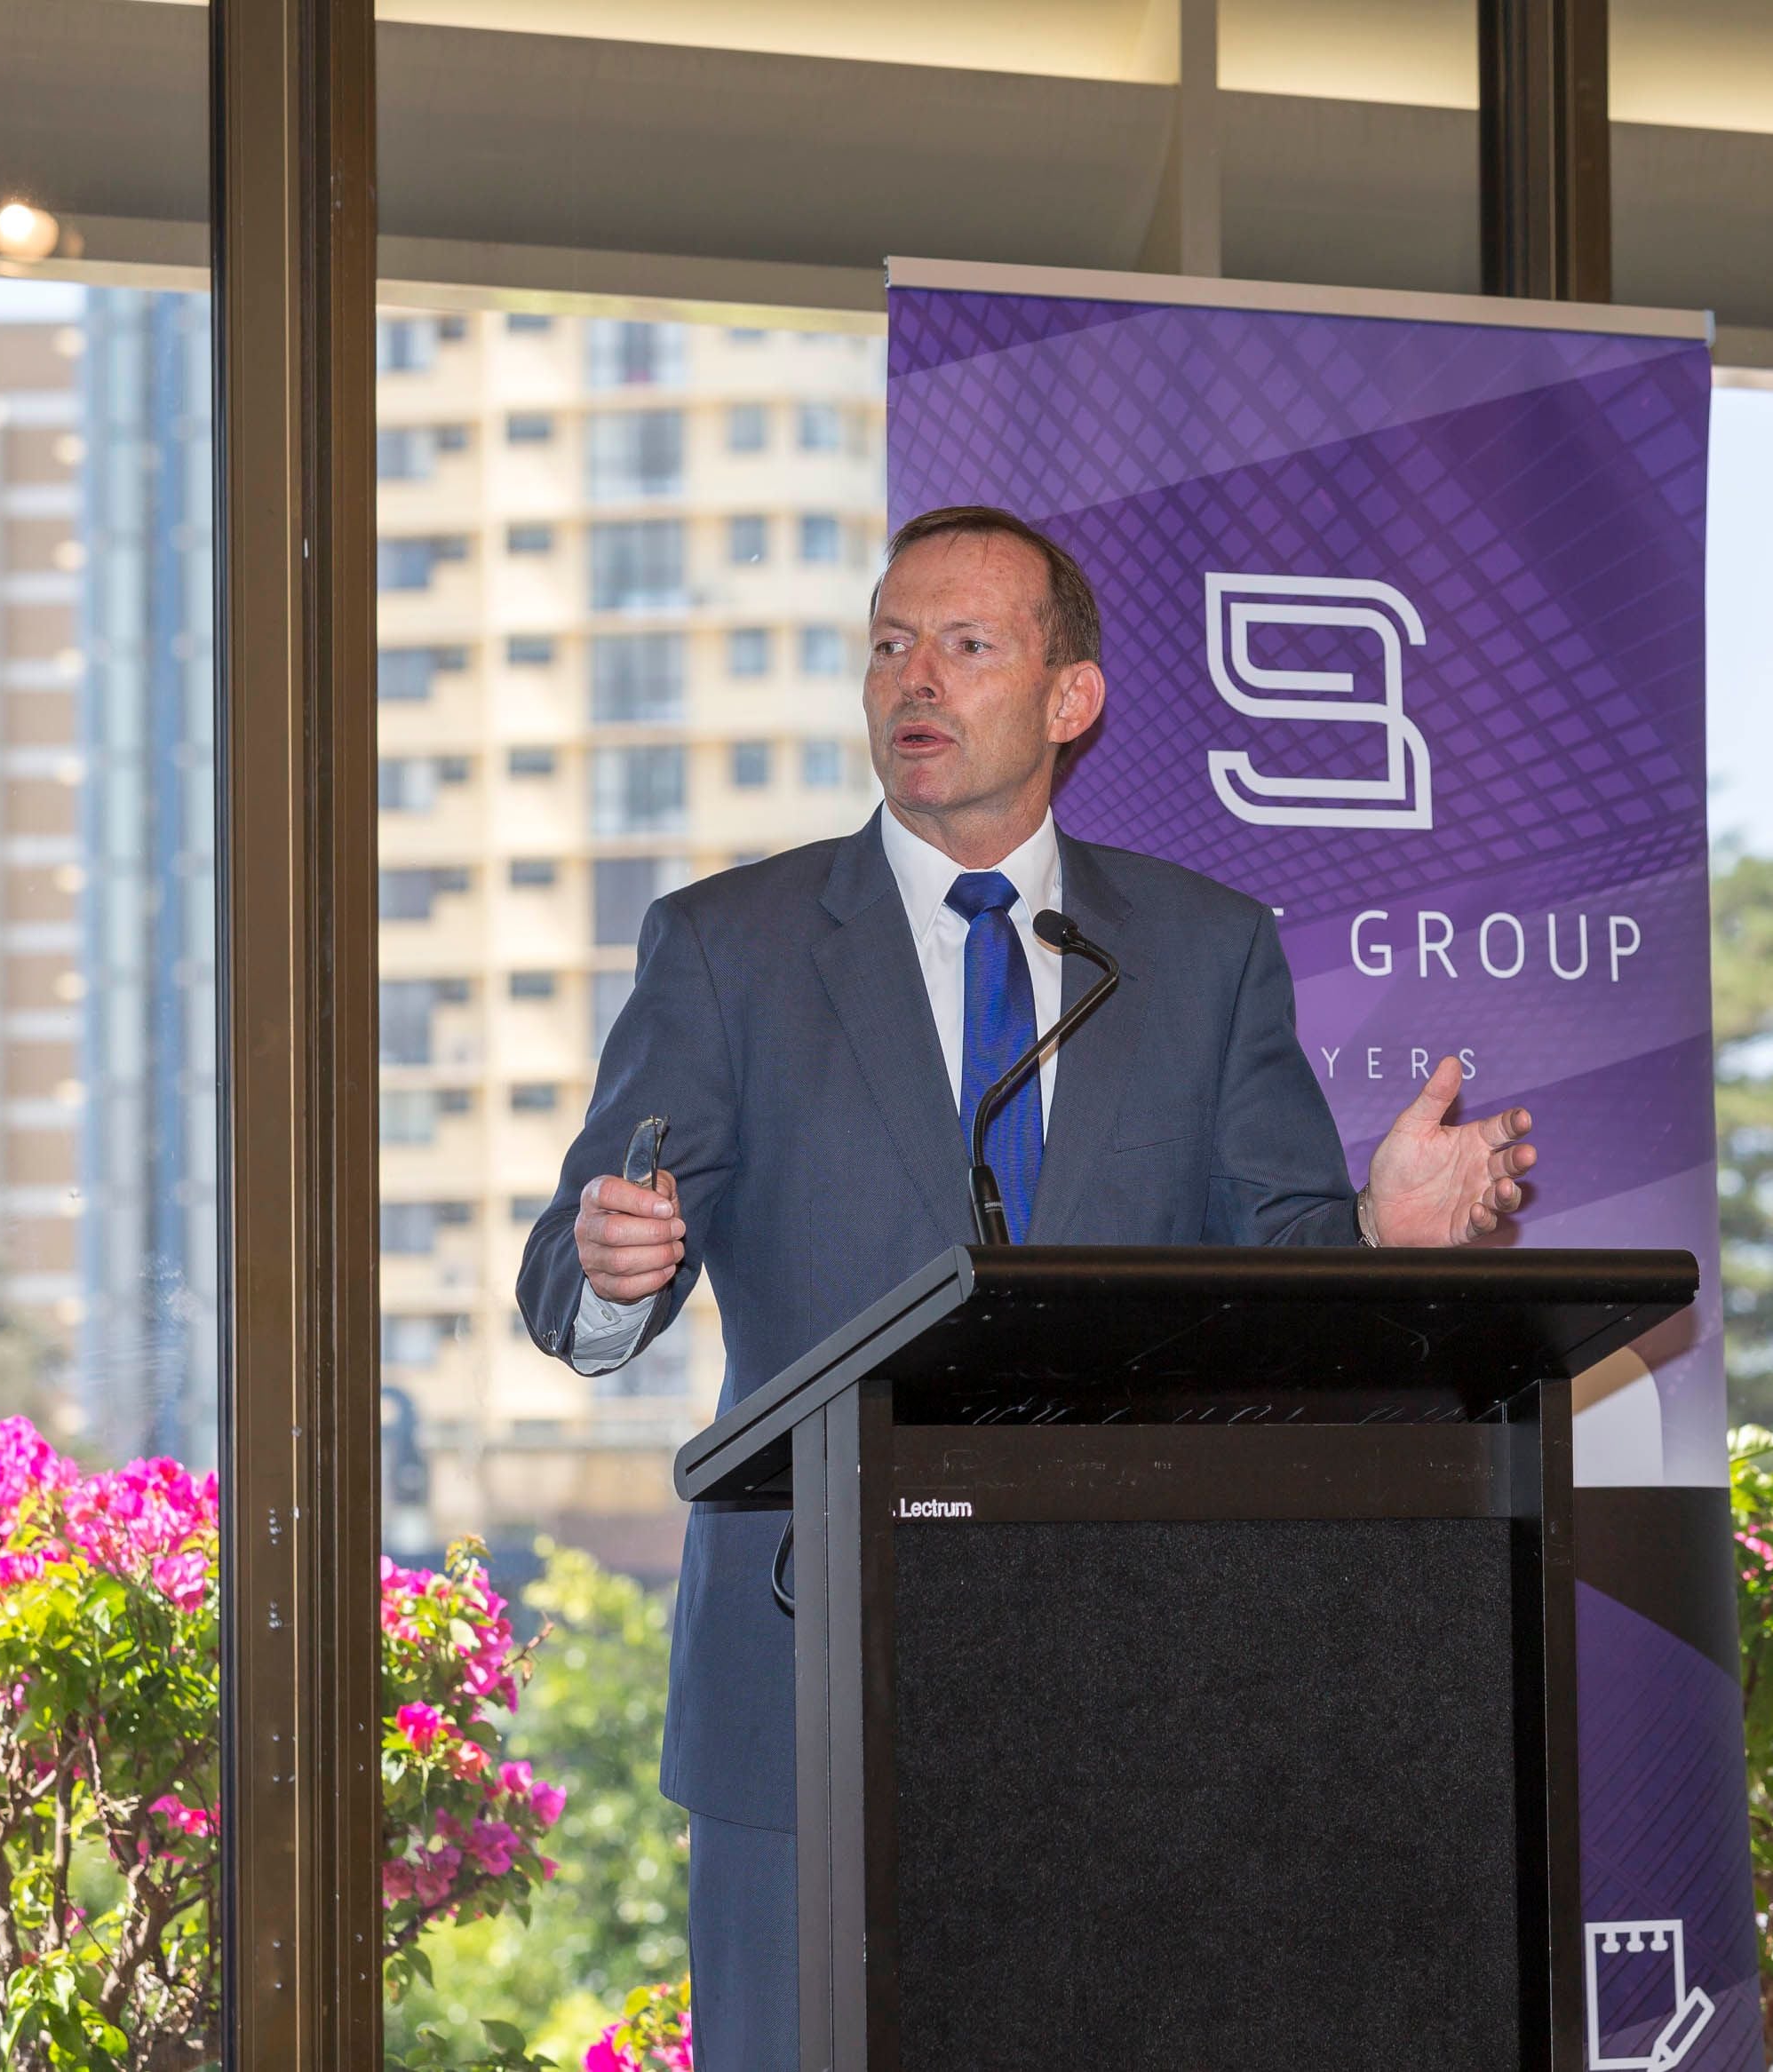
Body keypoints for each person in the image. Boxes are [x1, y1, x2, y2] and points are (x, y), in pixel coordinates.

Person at [515, 504, 1535, 2072]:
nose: (913, 678)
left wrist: (1378, 1237)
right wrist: (609, 1265)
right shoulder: (730, 946)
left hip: (1129, 1681)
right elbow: (572, 1268)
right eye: (889, 644)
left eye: (966, 643)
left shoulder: (1199, 953)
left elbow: (1278, 1286)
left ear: (1072, 697)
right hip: (806, 1673)